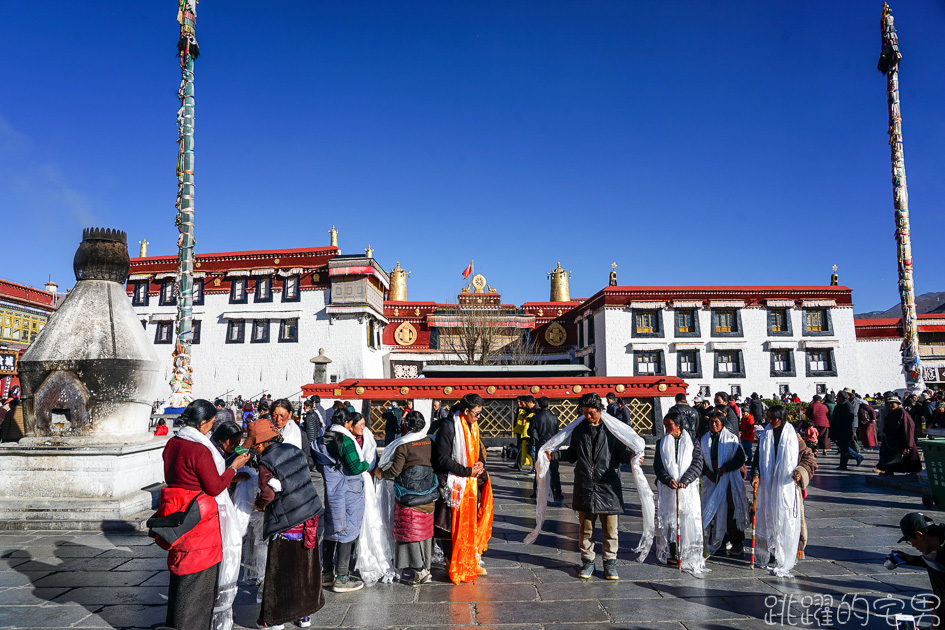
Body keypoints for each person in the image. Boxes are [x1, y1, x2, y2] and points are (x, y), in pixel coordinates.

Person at [154, 399, 250, 630]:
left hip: (177, 510)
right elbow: (215, 487)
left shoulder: (174, 442)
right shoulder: (199, 449)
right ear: (203, 422)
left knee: (181, 573)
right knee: (199, 577)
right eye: (211, 423)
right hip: (200, 518)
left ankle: (176, 622)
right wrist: (234, 466)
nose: (211, 427)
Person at [538, 393, 651, 580]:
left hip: (608, 486)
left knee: (610, 529)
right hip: (585, 485)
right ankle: (588, 561)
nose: (587, 416)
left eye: (590, 413)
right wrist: (555, 455)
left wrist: (632, 457)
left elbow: (622, 453)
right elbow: (573, 454)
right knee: (586, 528)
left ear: (599, 410)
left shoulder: (611, 430)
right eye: (584, 413)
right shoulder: (579, 430)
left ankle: (610, 562)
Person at [247, 416, 324, 630]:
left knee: (280, 571)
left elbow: (268, 495)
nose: (254, 450)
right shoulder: (292, 449)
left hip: (287, 522)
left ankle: (274, 618)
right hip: (309, 515)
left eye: (254, 446)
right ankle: (304, 616)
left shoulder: (266, 463)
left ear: (261, 444)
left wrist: (258, 504)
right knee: (305, 568)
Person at [433, 393, 494, 584]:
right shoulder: (449, 426)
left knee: (470, 523)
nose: (479, 417)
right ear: (466, 411)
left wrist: (479, 465)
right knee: (451, 526)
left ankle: (469, 560)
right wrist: (467, 471)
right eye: (476, 413)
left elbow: (478, 451)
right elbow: (442, 459)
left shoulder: (472, 425)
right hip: (453, 483)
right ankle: (453, 562)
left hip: (470, 482)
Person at [750, 405, 814, 576]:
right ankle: (770, 551)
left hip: (786, 486)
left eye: (774, 418)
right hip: (768, 485)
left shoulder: (794, 437)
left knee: (785, 517)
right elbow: (757, 458)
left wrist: (800, 472)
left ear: (782, 418)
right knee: (767, 515)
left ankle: (786, 553)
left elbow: (809, 458)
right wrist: (755, 474)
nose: (770, 421)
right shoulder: (765, 434)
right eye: (768, 417)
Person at [376, 410, 438, 585]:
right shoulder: (430, 441)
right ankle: (425, 566)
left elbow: (395, 471)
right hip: (428, 494)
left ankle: (419, 571)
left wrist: (381, 473)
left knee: (410, 531)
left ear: (406, 425)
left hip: (409, 496)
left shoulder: (403, 445)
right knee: (424, 532)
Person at [314, 408, 370, 592]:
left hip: (332, 490)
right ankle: (342, 577)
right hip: (349, 491)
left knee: (331, 529)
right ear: (347, 423)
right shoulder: (346, 440)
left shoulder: (322, 439)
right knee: (347, 530)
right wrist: (366, 463)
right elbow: (355, 467)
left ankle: (326, 573)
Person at [653, 410, 706, 573]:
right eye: (666, 425)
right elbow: (658, 466)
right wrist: (668, 479)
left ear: (678, 425)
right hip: (669, 487)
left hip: (687, 488)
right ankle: (673, 552)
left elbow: (697, 463)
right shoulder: (661, 443)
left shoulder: (693, 442)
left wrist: (686, 480)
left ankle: (688, 552)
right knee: (670, 521)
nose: (667, 428)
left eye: (670, 425)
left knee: (687, 518)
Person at [701, 411, 748, 557]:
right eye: (711, 422)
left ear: (723, 423)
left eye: (717, 422)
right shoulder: (703, 439)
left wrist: (726, 467)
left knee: (731, 510)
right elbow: (698, 458)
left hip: (728, 479)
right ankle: (719, 540)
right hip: (711, 478)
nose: (714, 425)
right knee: (712, 510)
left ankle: (737, 541)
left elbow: (740, 458)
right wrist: (705, 471)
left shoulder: (732, 439)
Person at [889, 512, 945, 627]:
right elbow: (936, 561)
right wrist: (910, 559)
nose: (913, 545)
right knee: (934, 602)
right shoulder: (938, 541)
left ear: (919, 534)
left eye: (910, 540)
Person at [527, 397, 563, 501]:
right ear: (548, 405)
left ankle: (536, 491)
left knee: (539, 469)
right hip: (552, 446)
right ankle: (558, 491)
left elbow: (531, 431)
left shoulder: (535, 418)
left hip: (541, 446)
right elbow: (557, 433)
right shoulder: (554, 417)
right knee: (554, 470)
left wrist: (537, 439)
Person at [878, 395, 922, 475]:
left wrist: (908, 443)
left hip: (902, 439)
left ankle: (913, 471)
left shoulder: (902, 412)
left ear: (897, 403)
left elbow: (908, 427)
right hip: (891, 439)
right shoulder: (891, 412)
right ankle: (888, 470)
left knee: (907, 456)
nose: (890, 405)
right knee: (888, 456)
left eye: (893, 403)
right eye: (889, 403)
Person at [831, 391, 863, 469]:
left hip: (845, 430)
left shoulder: (848, 406)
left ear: (841, 398)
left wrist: (849, 432)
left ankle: (844, 464)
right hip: (839, 430)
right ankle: (857, 457)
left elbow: (849, 420)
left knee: (844, 448)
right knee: (843, 448)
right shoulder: (839, 405)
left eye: (837, 397)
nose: (836, 399)